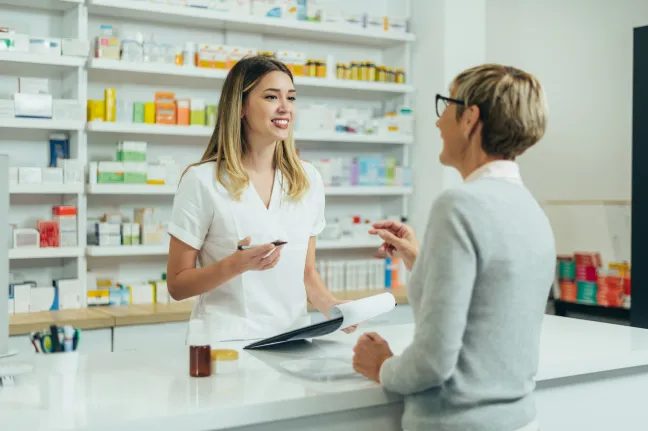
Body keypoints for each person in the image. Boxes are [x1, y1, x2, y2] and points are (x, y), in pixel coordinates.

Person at [352, 64, 555, 431]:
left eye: (445, 104)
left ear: (470, 118)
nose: (437, 121)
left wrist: (381, 366)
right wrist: (421, 258)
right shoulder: (530, 208)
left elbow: (433, 361)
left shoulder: (459, 204)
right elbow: (490, 298)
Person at [166, 55, 353, 343]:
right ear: (240, 106)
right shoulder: (202, 180)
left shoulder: (307, 180)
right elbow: (177, 284)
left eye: (290, 98)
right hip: (226, 345)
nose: (285, 108)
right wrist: (236, 265)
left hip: (293, 339)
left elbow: (307, 273)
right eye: (270, 96)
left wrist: (332, 306)